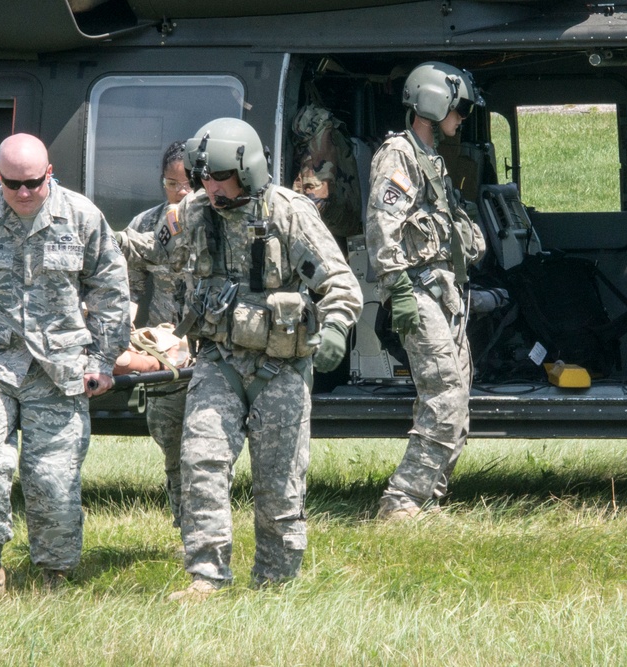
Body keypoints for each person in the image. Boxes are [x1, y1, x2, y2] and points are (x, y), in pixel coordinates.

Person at [134, 117, 363, 601]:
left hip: (281, 368)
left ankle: (275, 581)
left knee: (278, 484)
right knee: (201, 462)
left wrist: (337, 328)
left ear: (250, 170)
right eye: (205, 179)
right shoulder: (195, 213)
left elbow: (340, 284)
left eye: (221, 178)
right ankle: (207, 576)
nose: (212, 189)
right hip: (219, 361)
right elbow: (149, 250)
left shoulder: (289, 214)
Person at [0, 133, 131, 599]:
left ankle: (53, 577)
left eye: (34, 182)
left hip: (57, 367)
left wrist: (102, 360)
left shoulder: (81, 216)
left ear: (49, 173)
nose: (25, 192)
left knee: (52, 478)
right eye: (13, 183)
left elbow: (111, 292)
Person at [365, 62, 486, 521]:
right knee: (445, 394)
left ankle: (428, 497)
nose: (462, 117)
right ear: (435, 104)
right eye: (459, 108)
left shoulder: (429, 157)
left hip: (444, 291)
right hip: (416, 291)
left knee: (457, 395)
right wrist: (397, 291)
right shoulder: (398, 155)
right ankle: (403, 501)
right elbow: (382, 228)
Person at [114, 140, 191, 529]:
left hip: (211, 352)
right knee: (172, 442)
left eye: (189, 183)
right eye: (171, 183)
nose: (181, 193)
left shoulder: (219, 223)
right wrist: (123, 337)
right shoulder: (146, 226)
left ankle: (203, 521)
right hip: (166, 356)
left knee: (207, 445)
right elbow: (127, 288)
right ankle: (184, 517)